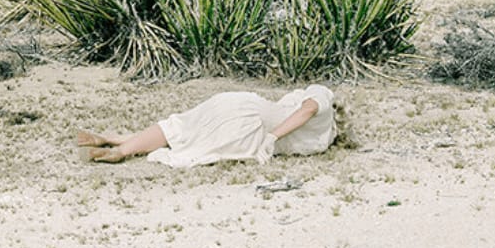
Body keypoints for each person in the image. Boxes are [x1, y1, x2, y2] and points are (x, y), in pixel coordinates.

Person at [75, 84, 337, 166]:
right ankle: (118, 149)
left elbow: (308, 108)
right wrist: (271, 138)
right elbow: (308, 110)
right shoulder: (321, 135)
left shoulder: (320, 98)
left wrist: (271, 136)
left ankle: (116, 141)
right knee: (188, 136)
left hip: (248, 114)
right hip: (252, 126)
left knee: (182, 128)